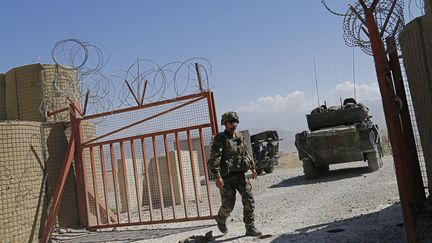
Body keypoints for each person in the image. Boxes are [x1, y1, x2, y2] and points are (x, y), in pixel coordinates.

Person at [208, 111, 262, 237]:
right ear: (225, 123)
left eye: (235, 121)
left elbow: (245, 153)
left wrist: (253, 168)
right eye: (230, 121)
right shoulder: (220, 138)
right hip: (226, 177)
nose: (234, 124)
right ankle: (220, 218)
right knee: (228, 205)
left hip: (240, 175)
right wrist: (217, 177)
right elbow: (214, 158)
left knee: (249, 199)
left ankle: (250, 227)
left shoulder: (239, 136)